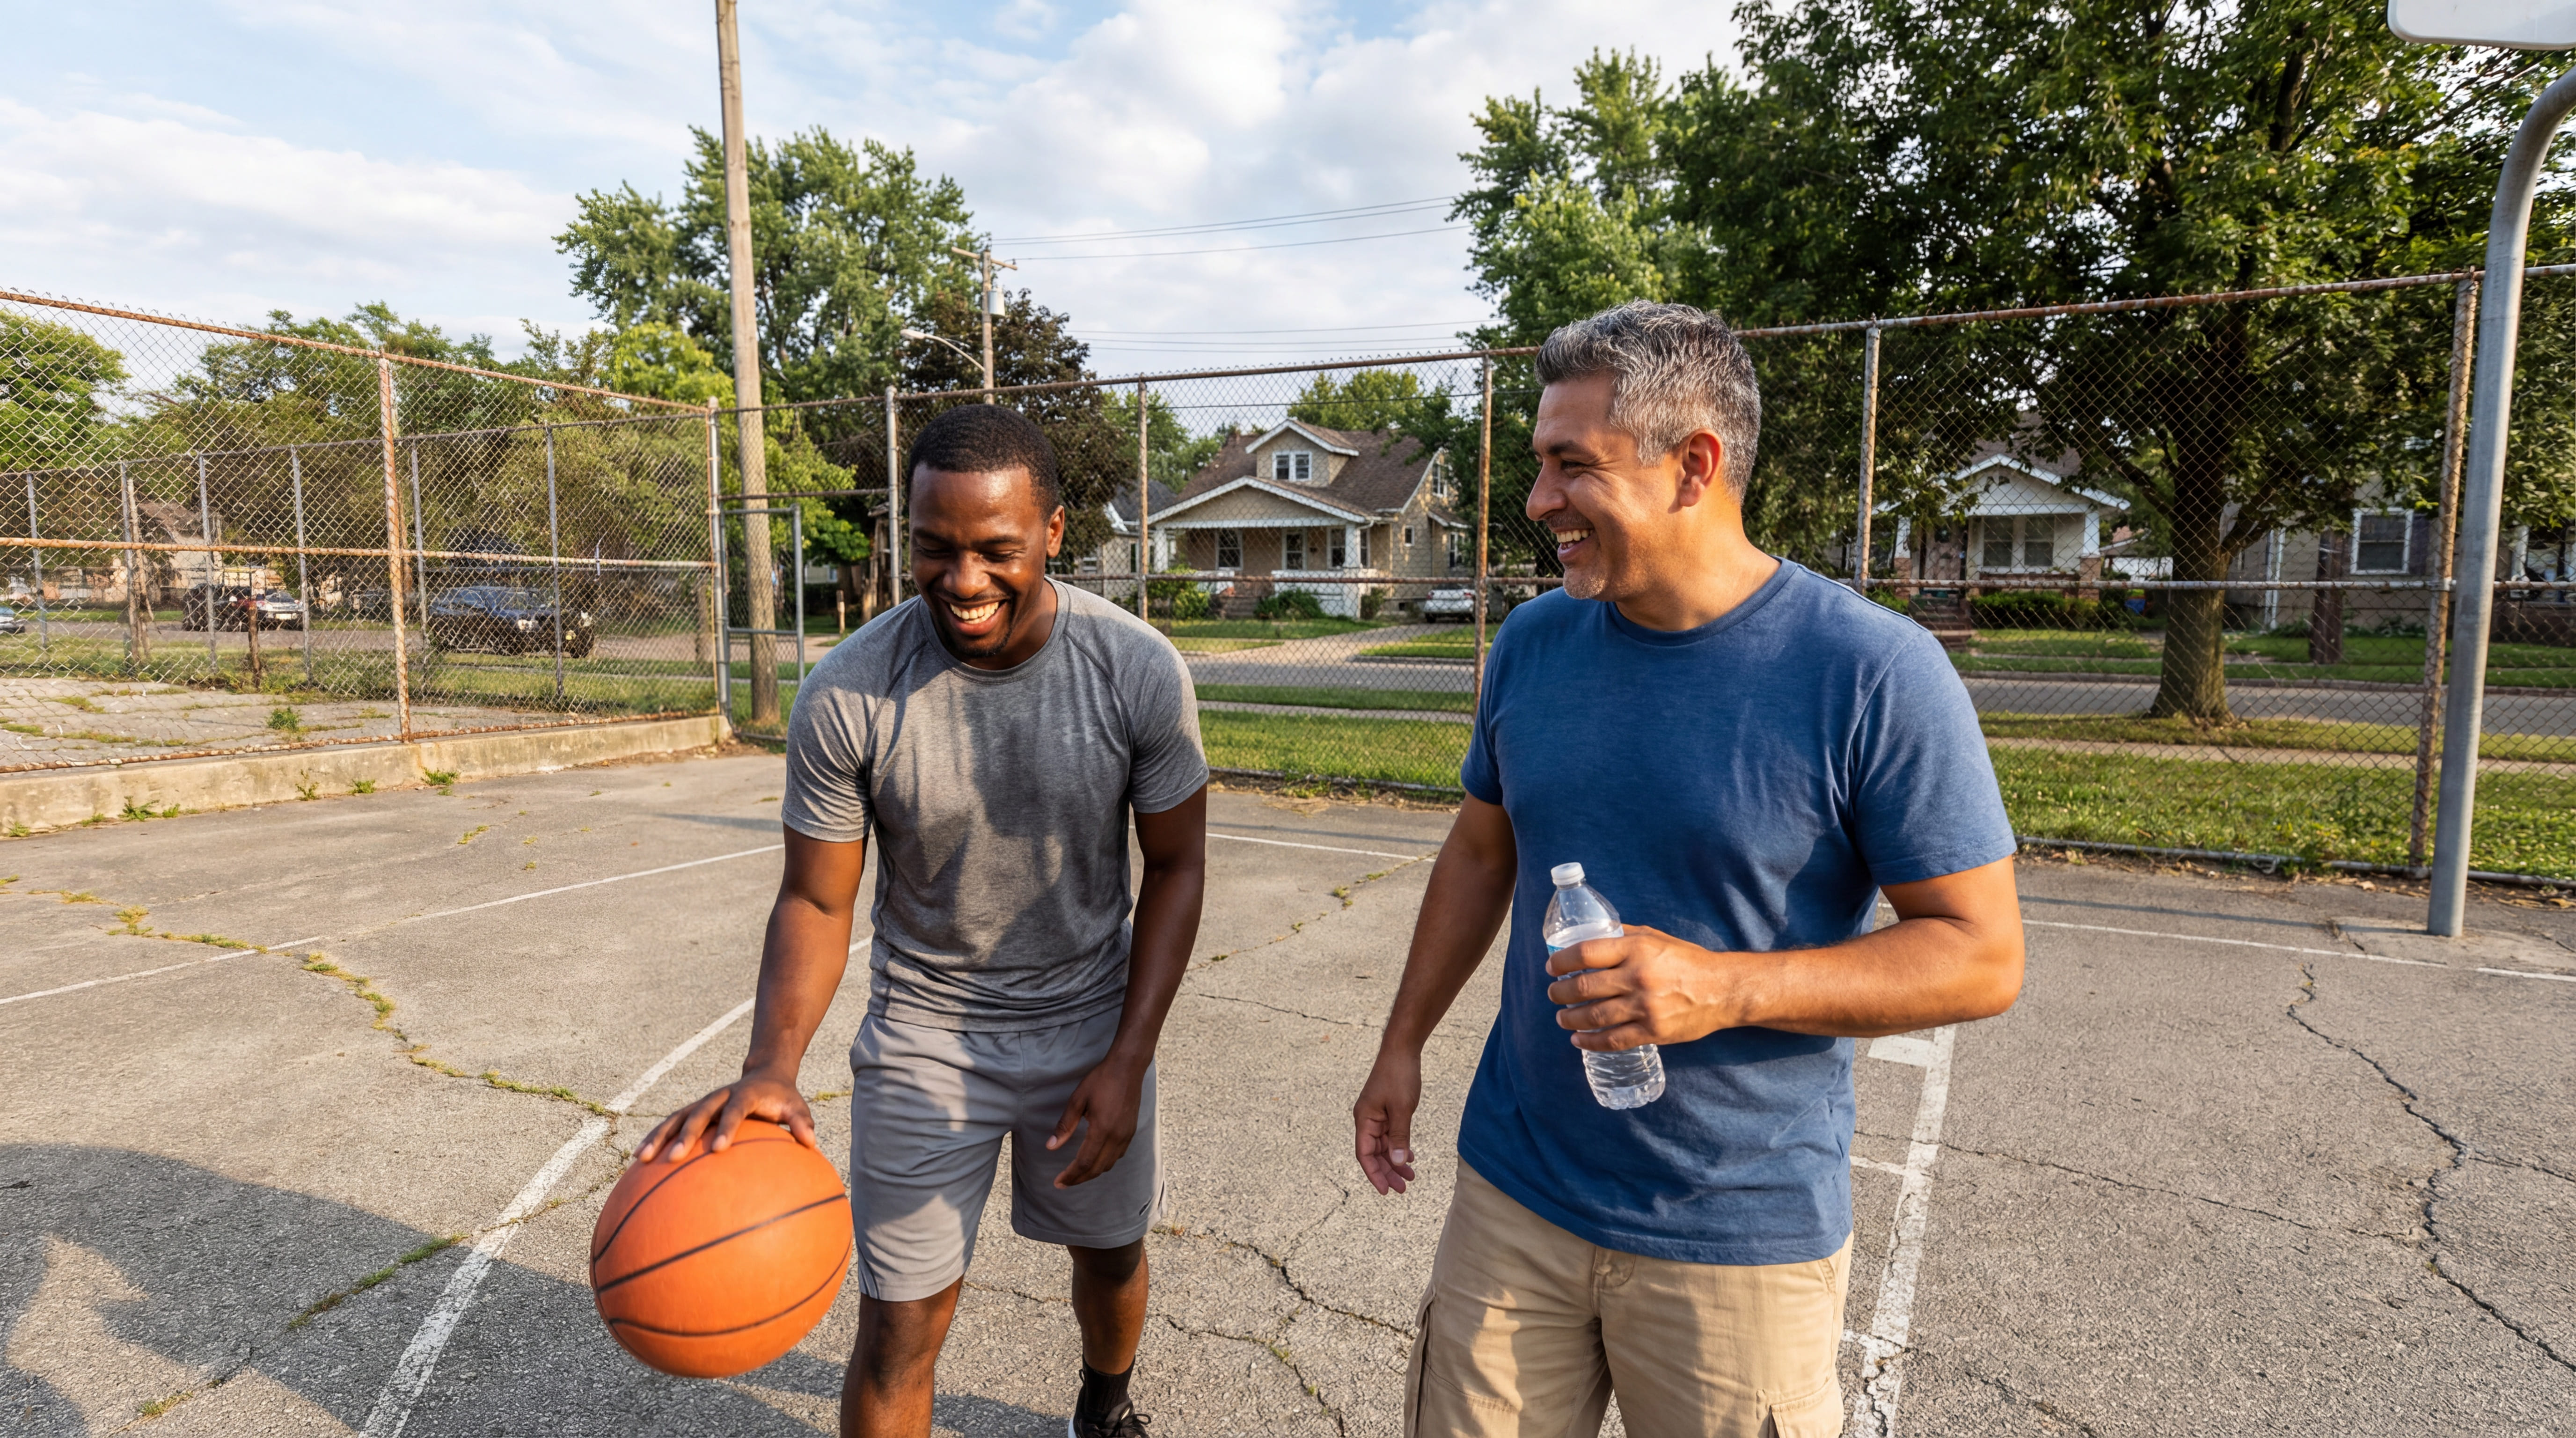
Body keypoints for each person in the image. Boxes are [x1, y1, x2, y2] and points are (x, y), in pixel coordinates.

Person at [1352, 302, 2025, 1438]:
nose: (1538, 501)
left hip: (1737, 1231)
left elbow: (1981, 955)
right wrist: (1402, 1042)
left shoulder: (1870, 672)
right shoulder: (1533, 643)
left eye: (1573, 465)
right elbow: (1481, 845)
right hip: (1516, 1194)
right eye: (1538, 464)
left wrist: (1723, 987)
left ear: (1693, 467)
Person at [641, 404, 1207, 1438]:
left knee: (1110, 1254)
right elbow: (817, 898)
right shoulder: (848, 691)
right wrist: (771, 1065)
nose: (963, 578)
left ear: (1053, 532)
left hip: (1090, 1024)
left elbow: (1176, 867)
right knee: (900, 1323)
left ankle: (1104, 1403)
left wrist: (1129, 1057)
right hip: (925, 1035)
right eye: (934, 547)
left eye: (996, 549)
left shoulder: (1135, 669)